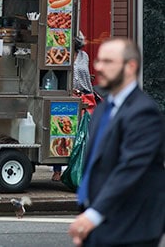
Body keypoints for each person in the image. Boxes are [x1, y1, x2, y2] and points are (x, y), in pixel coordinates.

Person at [68, 37, 165, 247]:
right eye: (98, 61)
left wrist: (92, 215)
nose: (99, 67)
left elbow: (132, 168)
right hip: (100, 224)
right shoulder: (103, 108)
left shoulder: (143, 112)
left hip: (132, 228)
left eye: (108, 62)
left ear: (130, 67)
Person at [52, 31, 96, 182]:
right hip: (68, 96)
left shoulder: (84, 56)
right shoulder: (61, 54)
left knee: (83, 134)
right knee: (62, 132)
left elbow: (85, 75)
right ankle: (56, 170)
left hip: (85, 96)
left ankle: (81, 167)